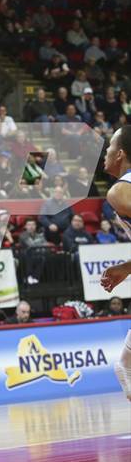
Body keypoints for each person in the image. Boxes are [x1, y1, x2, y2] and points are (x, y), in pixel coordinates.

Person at [99, 125, 131, 401]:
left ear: (120, 154)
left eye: (109, 147)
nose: (105, 153)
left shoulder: (120, 191)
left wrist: (124, 268)